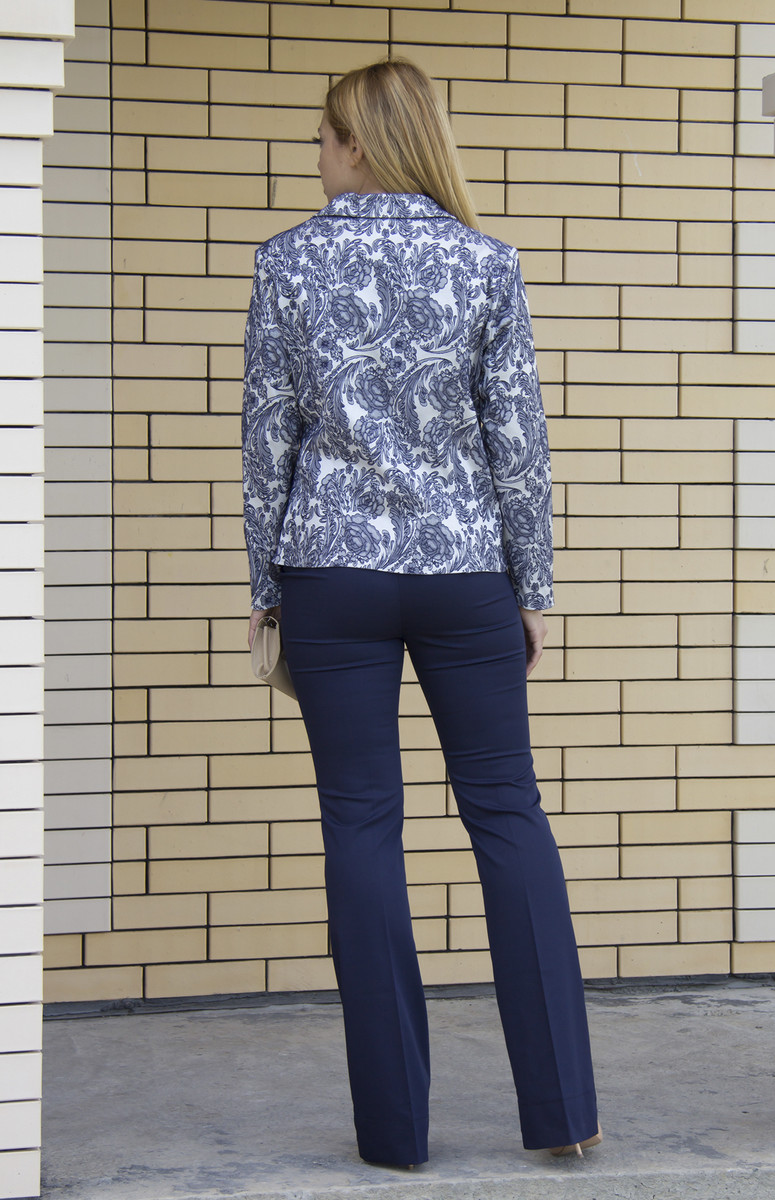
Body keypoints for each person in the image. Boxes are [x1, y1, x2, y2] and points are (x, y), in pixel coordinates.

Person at [241, 58, 599, 1169]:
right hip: (463, 575)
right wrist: (531, 588)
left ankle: (394, 1136)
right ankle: (563, 1114)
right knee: (506, 811)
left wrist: (266, 588)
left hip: (331, 576)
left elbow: (266, 442)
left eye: (321, 137)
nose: (315, 156)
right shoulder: (486, 262)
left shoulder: (287, 261)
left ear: (357, 142)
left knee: (360, 824)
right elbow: (518, 444)